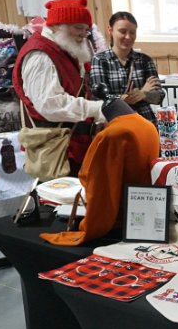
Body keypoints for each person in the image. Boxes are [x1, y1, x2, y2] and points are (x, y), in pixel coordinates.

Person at [41, 98, 160, 247]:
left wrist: (91, 225)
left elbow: (99, 183)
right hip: (146, 212)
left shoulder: (112, 135)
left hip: (117, 219)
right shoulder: (147, 125)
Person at [13, 0, 104, 175]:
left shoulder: (65, 49)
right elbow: (50, 105)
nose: (83, 34)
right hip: (57, 153)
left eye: (86, 29)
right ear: (56, 26)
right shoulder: (40, 55)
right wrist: (96, 109)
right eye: (78, 27)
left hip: (73, 148)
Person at [90, 11, 161, 126]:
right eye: (122, 31)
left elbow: (159, 96)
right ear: (110, 30)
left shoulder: (145, 60)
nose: (128, 37)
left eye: (132, 32)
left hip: (147, 123)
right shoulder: (100, 60)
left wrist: (144, 94)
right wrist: (133, 95)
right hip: (116, 124)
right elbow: (99, 99)